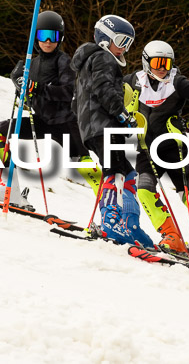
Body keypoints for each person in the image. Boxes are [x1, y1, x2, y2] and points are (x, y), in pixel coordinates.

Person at [0, 10, 100, 211]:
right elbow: (20, 82)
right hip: (40, 121)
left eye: (54, 36)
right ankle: (9, 189)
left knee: (84, 164)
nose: (48, 41)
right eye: (43, 36)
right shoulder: (29, 64)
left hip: (65, 123)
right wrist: (20, 86)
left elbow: (69, 92)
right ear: (36, 37)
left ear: (60, 38)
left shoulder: (63, 61)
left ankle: (110, 206)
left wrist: (38, 88)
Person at [123, 40, 189, 254]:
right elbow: (119, 98)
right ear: (146, 62)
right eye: (157, 62)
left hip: (175, 148)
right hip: (146, 147)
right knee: (144, 189)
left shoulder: (178, 82)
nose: (163, 68)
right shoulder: (134, 81)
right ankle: (171, 236)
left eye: (167, 63)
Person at [71, 14, 152, 248]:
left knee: (127, 173)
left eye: (128, 43)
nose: (124, 48)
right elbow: (104, 89)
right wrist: (122, 114)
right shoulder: (104, 59)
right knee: (115, 170)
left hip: (94, 127)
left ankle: (130, 224)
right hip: (103, 125)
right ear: (105, 38)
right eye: (121, 41)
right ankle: (110, 220)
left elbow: (76, 101)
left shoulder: (88, 63)